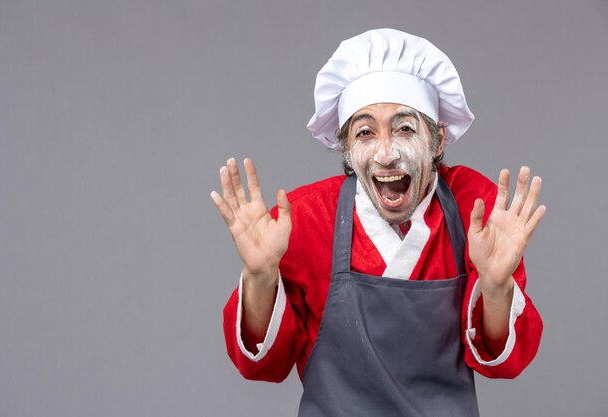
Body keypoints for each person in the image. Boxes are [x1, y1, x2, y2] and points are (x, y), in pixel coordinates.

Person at [211, 28, 545, 417]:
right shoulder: (304, 217)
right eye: (365, 132)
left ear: (437, 141)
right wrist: (261, 275)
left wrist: (496, 285)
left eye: (405, 128)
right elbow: (264, 366)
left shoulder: (477, 208)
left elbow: (505, 362)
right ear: (347, 149)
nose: (385, 154)